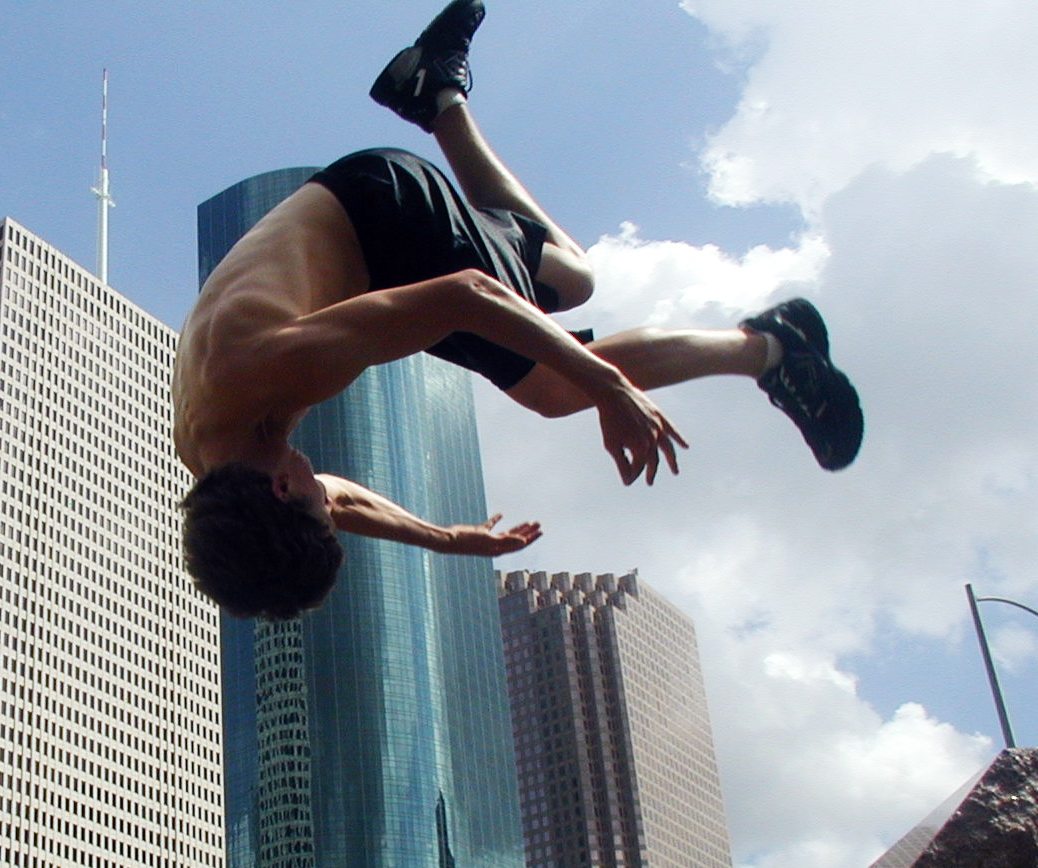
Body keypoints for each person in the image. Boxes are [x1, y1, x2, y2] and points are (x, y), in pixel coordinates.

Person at [173, 0, 861, 620]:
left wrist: (611, 389)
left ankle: (771, 346)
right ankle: (435, 90)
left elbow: (467, 295)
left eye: (318, 511)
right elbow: (338, 501)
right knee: (571, 281)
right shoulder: (220, 458)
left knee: (563, 381)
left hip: (384, 216)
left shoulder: (267, 369)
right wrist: (446, 539)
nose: (331, 504)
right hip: (364, 242)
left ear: (287, 487)